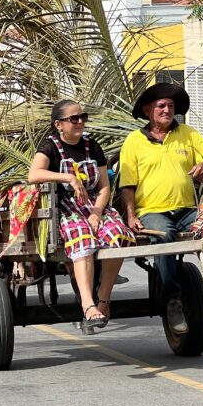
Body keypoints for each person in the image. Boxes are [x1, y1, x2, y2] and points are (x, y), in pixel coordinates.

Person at [119, 83, 203, 333]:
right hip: (151, 211)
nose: (167, 110)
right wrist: (132, 216)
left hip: (187, 209)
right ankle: (172, 299)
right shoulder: (134, 141)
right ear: (148, 110)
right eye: (161, 106)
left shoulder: (188, 134)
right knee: (164, 236)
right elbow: (127, 184)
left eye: (170, 106)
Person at [27, 100, 135, 329]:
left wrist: (97, 212)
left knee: (118, 235)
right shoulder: (50, 147)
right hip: (65, 208)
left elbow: (105, 186)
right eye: (73, 118)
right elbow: (33, 174)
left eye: (82, 117)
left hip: (94, 206)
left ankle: (104, 299)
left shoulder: (91, 146)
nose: (80, 122)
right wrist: (69, 178)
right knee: (82, 238)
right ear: (59, 124)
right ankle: (87, 304)